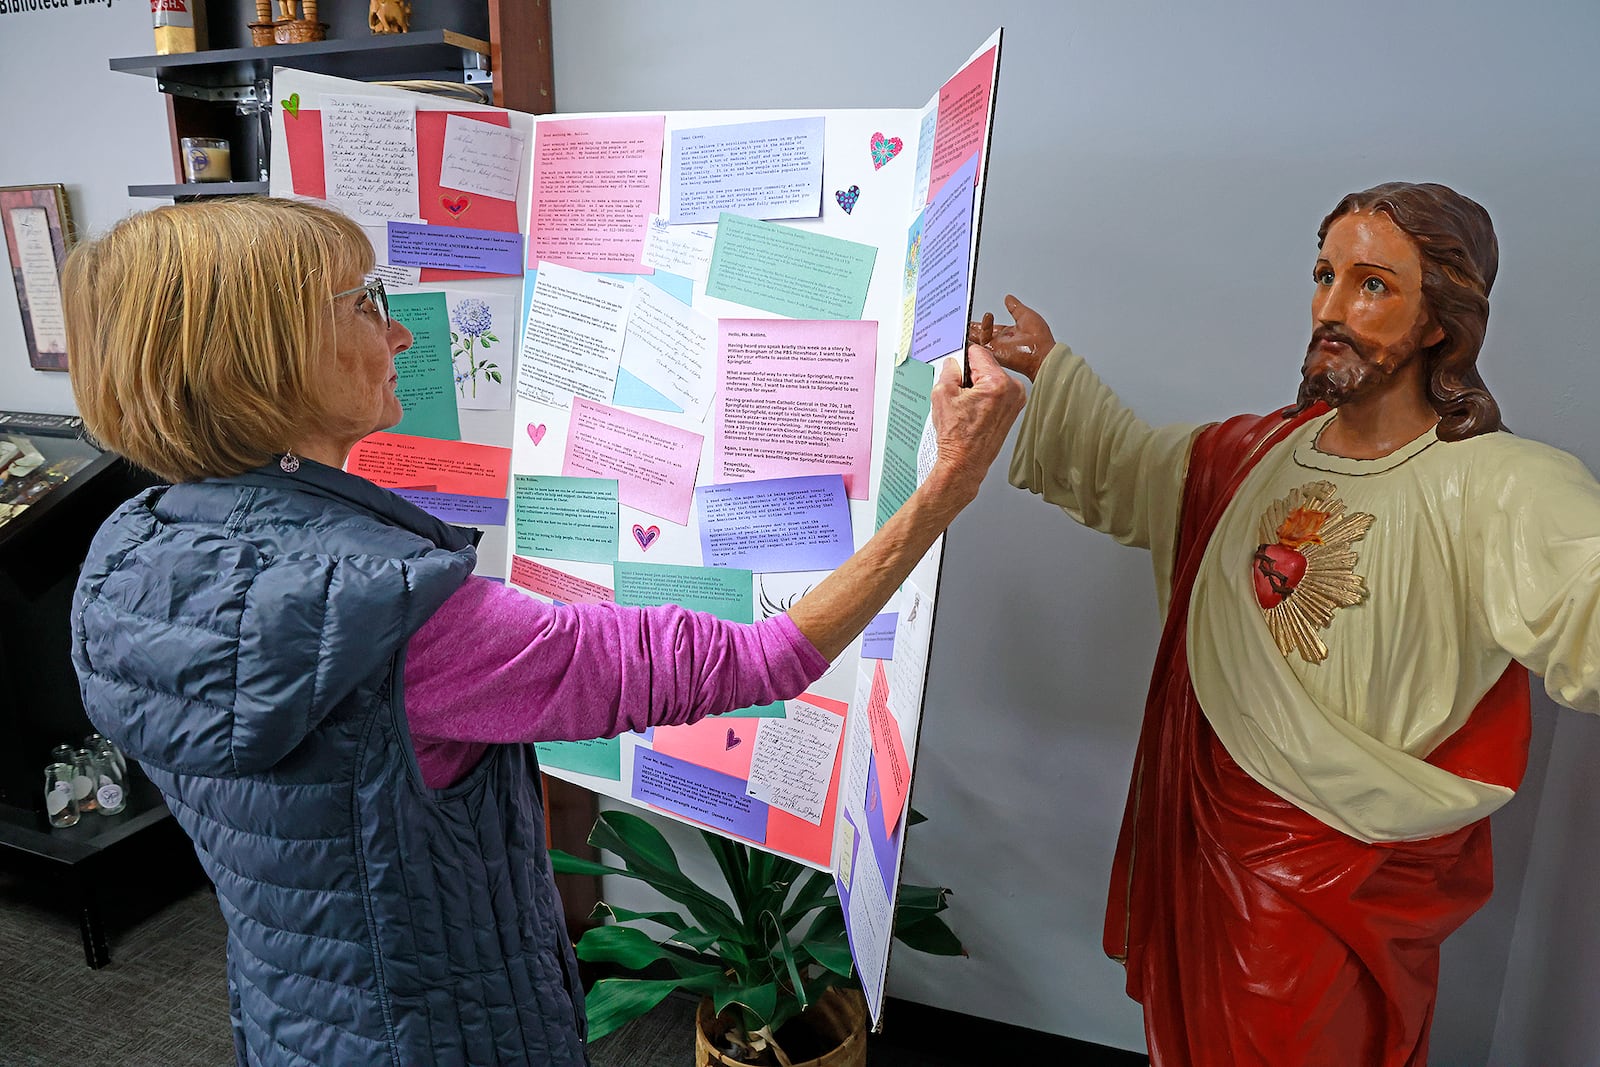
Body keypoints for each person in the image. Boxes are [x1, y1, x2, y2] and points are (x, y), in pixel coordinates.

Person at [63, 196, 1024, 1067]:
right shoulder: (403, 623)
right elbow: (759, 657)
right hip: (453, 1034)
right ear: (259, 357)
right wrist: (944, 487)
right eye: (359, 304)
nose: (398, 331)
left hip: (296, 1018)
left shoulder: (131, 558)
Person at [973, 181, 1600, 1066]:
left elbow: (1588, 583)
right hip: (1207, 833)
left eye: (1372, 283)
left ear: (1439, 319)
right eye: (1323, 274)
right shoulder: (1252, 452)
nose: (1331, 308)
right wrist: (1047, 367)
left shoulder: (1497, 483)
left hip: (1338, 875)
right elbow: (1132, 466)